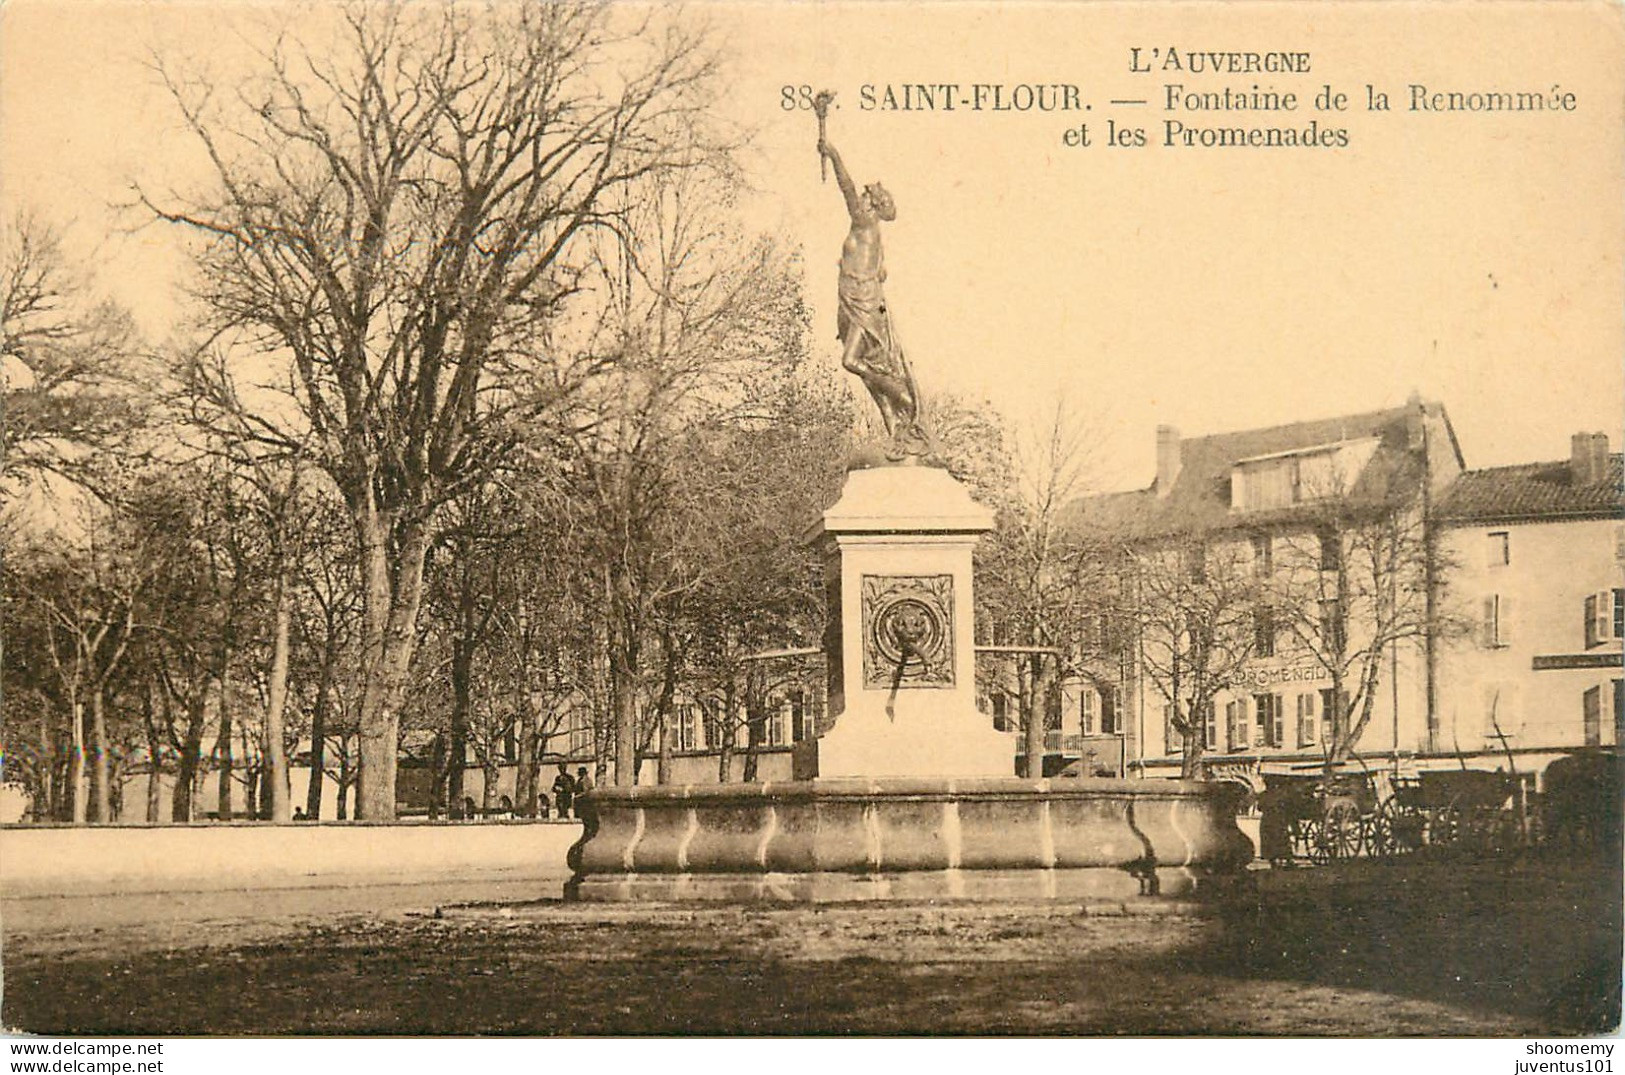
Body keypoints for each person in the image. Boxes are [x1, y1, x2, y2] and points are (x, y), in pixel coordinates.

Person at [814, 97, 928, 458]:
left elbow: (845, 186)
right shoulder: (871, 234)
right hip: (852, 300)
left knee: (853, 362)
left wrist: (832, 154)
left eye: (866, 197)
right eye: (863, 197)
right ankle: (896, 431)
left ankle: (904, 397)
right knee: (866, 372)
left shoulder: (864, 223)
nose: (860, 200)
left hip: (862, 303)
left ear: (873, 206)